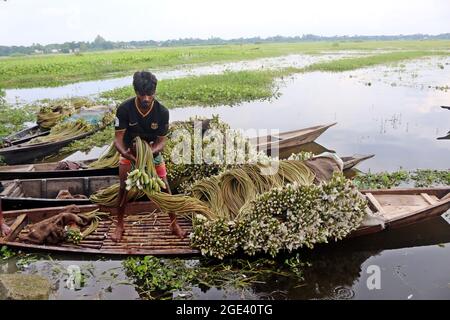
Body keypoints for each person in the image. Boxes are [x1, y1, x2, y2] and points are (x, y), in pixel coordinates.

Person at [111, 71, 186, 242]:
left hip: (152, 153)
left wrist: (148, 155)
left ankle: (174, 223)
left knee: (166, 188)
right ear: (135, 91)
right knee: (123, 188)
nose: (145, 98)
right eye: (141, 94)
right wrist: (127, 154)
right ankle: (119, 225)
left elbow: (161, 142)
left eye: (149, 94)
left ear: (154, 92)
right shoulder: (124, 109)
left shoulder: (162, 112)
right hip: (129, 152)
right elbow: (118, 140)